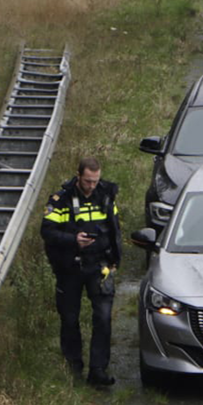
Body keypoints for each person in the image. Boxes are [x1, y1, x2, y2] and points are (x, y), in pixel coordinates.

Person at [41, 157, 122, 386]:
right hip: (69, 267)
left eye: (95, 181)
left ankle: (98, 370)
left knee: (103, 317)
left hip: (99, 266)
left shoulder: (105, 196)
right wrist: (73, 240)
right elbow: (47, 231)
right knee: (69, 318)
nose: (91, 186)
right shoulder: (61, 199)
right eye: (87, 181)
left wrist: (115, 260)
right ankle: (74, 365)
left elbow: (115, 229)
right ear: (78, 177)